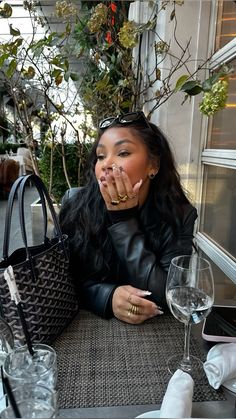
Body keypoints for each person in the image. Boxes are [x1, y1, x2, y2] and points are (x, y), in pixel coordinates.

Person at [59, 111, 197, 325]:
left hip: (155, 334)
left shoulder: (179, 215)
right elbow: (61, 281)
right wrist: (106, 296)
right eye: (101, 156)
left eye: (123, 153)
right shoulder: (76, 205)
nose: (106, 164)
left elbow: (169, 295)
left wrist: (124, 220)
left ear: (153, 165)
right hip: (83, 325)